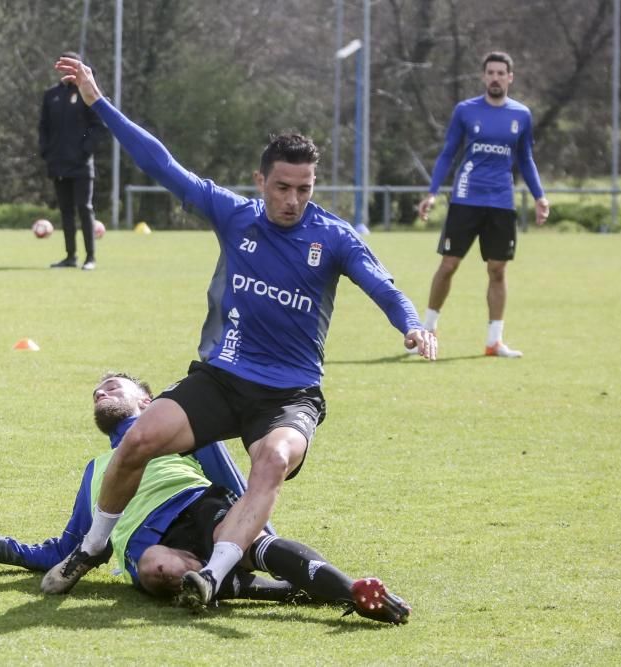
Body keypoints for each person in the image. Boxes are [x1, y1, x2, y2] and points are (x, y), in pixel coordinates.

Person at [43, 57, 436, 610]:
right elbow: (162, 162)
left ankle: (215, 572)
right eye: (282, 187)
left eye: (304, 188)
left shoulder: (335, 237)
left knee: (272, 460)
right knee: (137, 440)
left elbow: (383, 284)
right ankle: (91, 547)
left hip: (289, 395)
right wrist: (97, 102)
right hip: (223, 378)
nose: (293, 199)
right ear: (260, 181)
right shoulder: (235, 215)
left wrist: (411, 324)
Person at [0, 372, 411, 625]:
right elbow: (67, 548)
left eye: (113, 386)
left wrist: (259, 542)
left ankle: (352, 590)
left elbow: (237, 484)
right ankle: (279, 589)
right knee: (159, 571)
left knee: (252, 546)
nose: (101, 393)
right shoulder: (96, 470)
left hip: (196, 504)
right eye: (97, 392)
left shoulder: (182, 427)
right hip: (146, 544)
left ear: (147, 399)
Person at [416, 51, 550, 358]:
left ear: (510, 77)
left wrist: (539, 196)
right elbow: (448, 153)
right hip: (466, 197)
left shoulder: (521, 115)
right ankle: (428, 330)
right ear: (483, 76)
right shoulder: (465, 111)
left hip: (501, 202)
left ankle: (494, 341)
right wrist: (433, 192)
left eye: (501, 73)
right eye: (490, 72)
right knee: (448, 265)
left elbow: (526, 159)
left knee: (498, 271)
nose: (495, 77)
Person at [39, 50, 104, 271]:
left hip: (81, 164)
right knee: (65, 211)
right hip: (58, 163)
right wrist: (46, 151)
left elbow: (97, 127)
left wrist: (85, 149)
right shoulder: (51, 95)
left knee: (84, 208)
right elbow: (44, 128)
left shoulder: (87, 94)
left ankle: (90, 257)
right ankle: (70, 256)